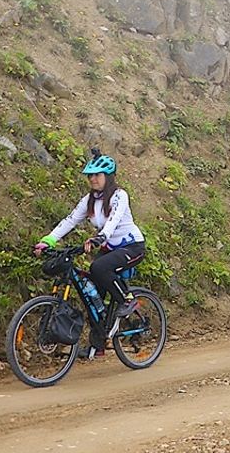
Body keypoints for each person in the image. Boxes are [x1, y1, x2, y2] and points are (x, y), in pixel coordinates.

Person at [33, 151, 146, 359]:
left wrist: (99, 238)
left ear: (108, 176)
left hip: (132, 247)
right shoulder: (89, 200)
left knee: (99, 268)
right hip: (109, 248)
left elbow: (113, 220)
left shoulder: (119, 195)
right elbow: (69, 221)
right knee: (92, 295)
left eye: (97, 175)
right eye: (90, 175)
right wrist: (48, 240)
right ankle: (98, 346)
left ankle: (127, 301)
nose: (93, 179)